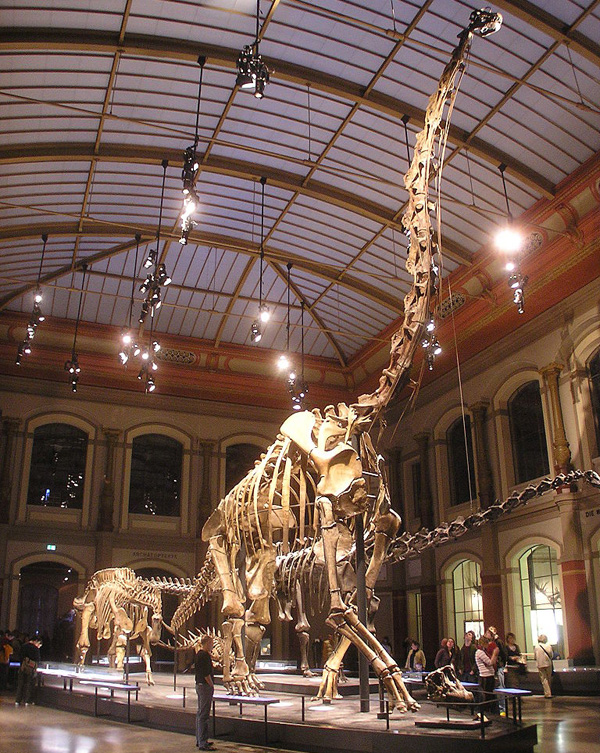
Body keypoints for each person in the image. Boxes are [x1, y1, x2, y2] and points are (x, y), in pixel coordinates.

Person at [195, 634, 215, 750]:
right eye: (211, 643)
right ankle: (203, 742)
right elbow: (205, 672)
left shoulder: (198, 654)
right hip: (205, 687)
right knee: (204, 715)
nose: (212, 645)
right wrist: (211, 684)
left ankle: (200, 739)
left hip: (199, 685)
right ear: (206, 643)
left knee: (200, 713)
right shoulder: (204, 656)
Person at [15, 636, 42, 706]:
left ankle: (18, 700)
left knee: (20, 684)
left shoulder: (24, 646)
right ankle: (27, 700)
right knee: (29, 684)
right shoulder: (35, 649)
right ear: (36, 641)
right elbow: (37, 659)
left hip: (23, 667)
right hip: (31, 669)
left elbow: (20, 656)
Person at [486, 626, 507, 714]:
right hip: (492, 668)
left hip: (498, 667)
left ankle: (502, 708)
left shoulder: (498, 642)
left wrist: (502, 664)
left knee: (500, 687)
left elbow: (504, 654)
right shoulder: (488, 643)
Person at [475, 635, 497, 714]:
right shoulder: (480, 652)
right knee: (486, 696)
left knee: (490, 696)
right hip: (485, 677)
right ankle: (485, 713)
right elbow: (490, 662)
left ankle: (491, 712)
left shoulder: (483, 652)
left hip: (489, 676)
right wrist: (495, 654)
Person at [533, 634, 553, 698]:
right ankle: (549, 692)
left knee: (544, 679)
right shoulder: (548, 646)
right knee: (549, 678)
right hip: (548, 663)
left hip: (540, 664)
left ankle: (547, 693)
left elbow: (535, 656)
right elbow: (551, 655)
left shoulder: (536, 647)